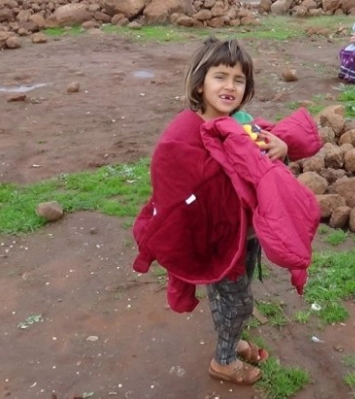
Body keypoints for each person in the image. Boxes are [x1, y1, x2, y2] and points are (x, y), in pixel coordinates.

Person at [131, 37, 322, 386]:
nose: (230, 86)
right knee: (237, 303)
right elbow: (174, 184)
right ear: (200, 81)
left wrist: (281, 147)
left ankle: (231, 341)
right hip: (215, 237)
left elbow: (262, 161)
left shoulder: (243, 121)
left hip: (245, 234)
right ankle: (224, 360)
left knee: (236, 291)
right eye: (220, 76)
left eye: (239, 80)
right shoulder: (183, 134)